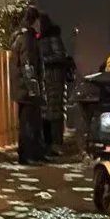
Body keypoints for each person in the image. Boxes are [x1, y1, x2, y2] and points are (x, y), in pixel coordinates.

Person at [10, 5, 45, 164]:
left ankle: (30, 154)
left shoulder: (19, 36)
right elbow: (28, 65)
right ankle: (29, 156)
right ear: (34, 21)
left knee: (27, 123)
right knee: (29, 123)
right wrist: (34, 89)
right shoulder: (28, 39)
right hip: (27, 90)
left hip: (21, 89)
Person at [38, 14, 77, 157]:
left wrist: (42, 60)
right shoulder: (44, 38)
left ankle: (56, 144)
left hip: (54, 80)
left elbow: (59, 56)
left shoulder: (52, 38)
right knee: (49, 113)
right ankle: (50, 144)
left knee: (54, 113)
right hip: (49, 80)